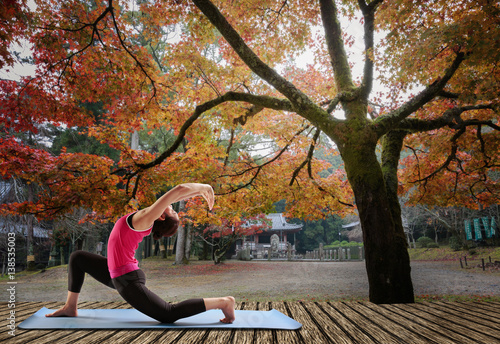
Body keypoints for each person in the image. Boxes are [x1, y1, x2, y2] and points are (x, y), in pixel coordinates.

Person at [46, 183, 235, 324]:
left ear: (161, 215)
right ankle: (70, 307)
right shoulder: (146, 218)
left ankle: (224, 302)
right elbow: (176, 195)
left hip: (127, 279)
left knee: (168, 314)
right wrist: (199, 191)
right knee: (78, 258)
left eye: (171, 210)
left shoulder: (144, 219)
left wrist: (205, 187)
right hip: (117, 272)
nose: (171, 206)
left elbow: (177, 190)